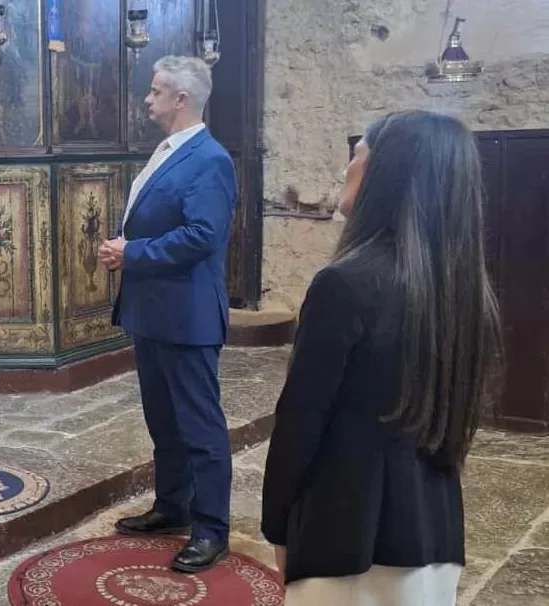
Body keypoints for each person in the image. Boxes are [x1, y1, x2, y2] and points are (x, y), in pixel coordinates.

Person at [261, 110, 502, 605]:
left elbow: (300, 423)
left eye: (356, 156)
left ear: (384, 172)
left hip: (348, 541)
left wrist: (278, 526)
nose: (345, 169)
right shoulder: (465, 290)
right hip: (434, 535)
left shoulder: (345, 284)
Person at [100, 55, 237, 573]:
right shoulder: (168, 150)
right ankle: (173, 505)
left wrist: (131, 253)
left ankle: (212, 529)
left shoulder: (210, 158)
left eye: (156, 90)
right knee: (163, 420)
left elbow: (203, 235)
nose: (147, 98)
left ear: (182, 98)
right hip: (153, 310)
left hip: (187, 314)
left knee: (199, 427)